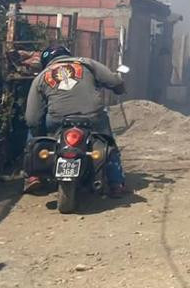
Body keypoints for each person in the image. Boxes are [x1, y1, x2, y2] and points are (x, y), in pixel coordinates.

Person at [24, 45, 128, 197]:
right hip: (92, 117)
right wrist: (119, 87)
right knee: (107, 142)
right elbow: (113, 80)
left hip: (58, 120)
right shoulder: (86, 63)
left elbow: (32, 118)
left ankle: (33, 176)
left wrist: (37, 133)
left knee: (32, 134)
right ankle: (116, 183)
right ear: (68, 54)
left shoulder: (41, 77)